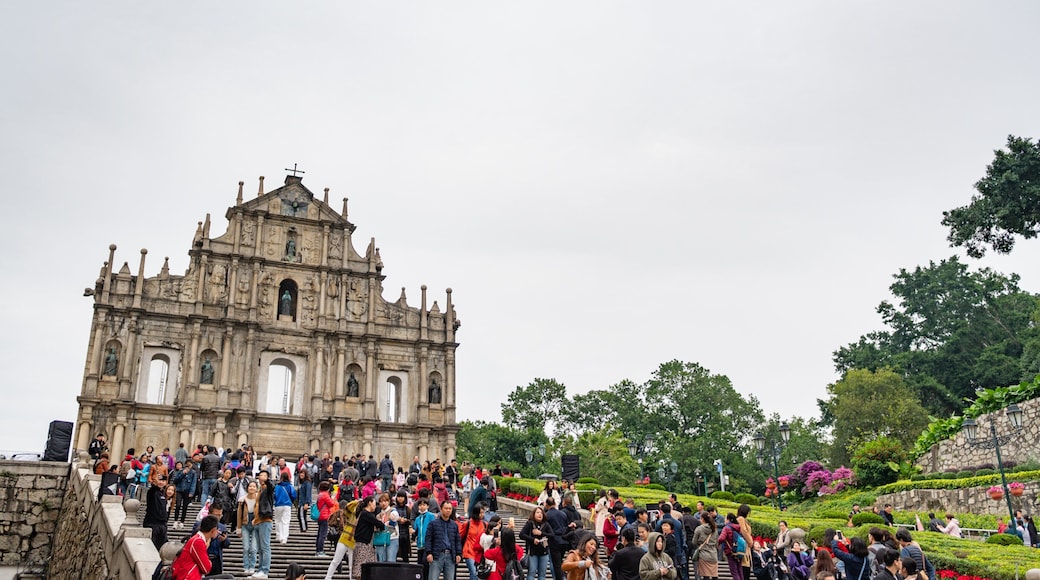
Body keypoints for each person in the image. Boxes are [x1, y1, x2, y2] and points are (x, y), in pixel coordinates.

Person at [171, 515, 220, 580]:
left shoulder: (197, 539)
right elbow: (206, 568)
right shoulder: (198, 541)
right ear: (213, 530)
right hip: (188, 577)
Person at [425, 498, 462, 580]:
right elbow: (428, 539)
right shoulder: (433, 524)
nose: (448, 510)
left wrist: (459, 554)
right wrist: (429, 552)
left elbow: (457, 540)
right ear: (441, 509)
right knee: (433, 578)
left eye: (450, 509)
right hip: (437, 555)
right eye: (446, 508)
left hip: (450, 555)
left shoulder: (454, 525)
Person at [353, 495, 385, 577]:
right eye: (374, 503)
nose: (375, 505)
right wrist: (382, 525)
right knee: (360, 567)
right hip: (363, 544)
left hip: (366, 544)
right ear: (370, 503)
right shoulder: (366, 514)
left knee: (368, 566)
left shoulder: (364, 514)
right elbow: (379, 524)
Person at [253, 470, 276, 578]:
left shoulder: (268, 489)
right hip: (258, 520)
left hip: (266, 520)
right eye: (260, 475)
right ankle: (260, 569)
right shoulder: (260, 489)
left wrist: (267, 480)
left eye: (263, 475)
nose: (261, 476)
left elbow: (272, 485)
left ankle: (265, 570)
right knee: (260, 548)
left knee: (265, 547)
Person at [520, 505, 553, 580]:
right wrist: (532, 540)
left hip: (544, 551)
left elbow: (552, 535)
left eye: (541, 513)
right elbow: (521, 535)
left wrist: (541, 533)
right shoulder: (530, 524)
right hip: (533, 552)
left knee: (542, 574)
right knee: (531, 572)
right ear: (533, 514)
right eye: (537, 512)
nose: (540, 514)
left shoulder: (546, 524)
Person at [238, 481, 261, 576]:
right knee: (246, 547)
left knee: (254, 548)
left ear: (256, 488)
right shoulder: (242, 500)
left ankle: (252, 566)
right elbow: (239, 514)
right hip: (245, 523)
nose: (252, 488)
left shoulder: (259, 499)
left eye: (254, 486)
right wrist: (238, 528)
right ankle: (246, 566)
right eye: (250, 486)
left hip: (255, 524)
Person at [461, 503, 487, 578]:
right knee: (473, 572)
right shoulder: (467, 524)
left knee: (476, 573)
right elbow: (461, 536)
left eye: (483, 512)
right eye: (480, 513)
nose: (482, 514)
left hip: (479, 552)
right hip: (469, 551)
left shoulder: (484, 524)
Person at [143, 481, 171, 550]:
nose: (161, 483)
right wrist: (155, 485)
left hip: (162, 524)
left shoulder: (164, 495)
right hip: (152, 523)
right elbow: (152, 490)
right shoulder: (153, 492)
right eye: (160, 481)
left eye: (163, 481)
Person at [171, 459, 198, 529]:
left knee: (185, 507)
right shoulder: (180, 471)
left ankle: (182, 521)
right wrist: (183, 473)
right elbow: (175, 480)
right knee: (178, 505)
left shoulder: (193, 473)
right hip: (179, 490)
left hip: (187, 490)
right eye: (187, 464)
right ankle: (175, 520)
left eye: (190, 465)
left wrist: (192, 492)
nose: (189, 466)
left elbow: (194, 483)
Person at [691, 512, 719, 580]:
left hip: (703, 555)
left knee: (705, 575)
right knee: (714, 575)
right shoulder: (714, 529)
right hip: (713, 555)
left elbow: (694, 542)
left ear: (702, 519)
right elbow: (716, 543)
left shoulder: (699, 529)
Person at [315, 481, 337, 557]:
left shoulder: (320, 495)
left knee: (319, 534)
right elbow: (331, 504)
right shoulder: (325, 495)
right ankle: (320, 551)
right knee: (322, 534)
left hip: (320, 516)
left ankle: (318, 550)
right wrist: (333, 497)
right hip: (324, 516)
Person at [297, 468, 313, 533]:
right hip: (300, 501)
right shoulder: (301, 483)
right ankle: (303, 528)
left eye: (303, 473)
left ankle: (304, 528)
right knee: (301, 515)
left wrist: (307, 503)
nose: (301, 474)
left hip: (303, 502)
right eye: (300, 473)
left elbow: (308, 493)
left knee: (301, 515)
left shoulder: (307, 483)